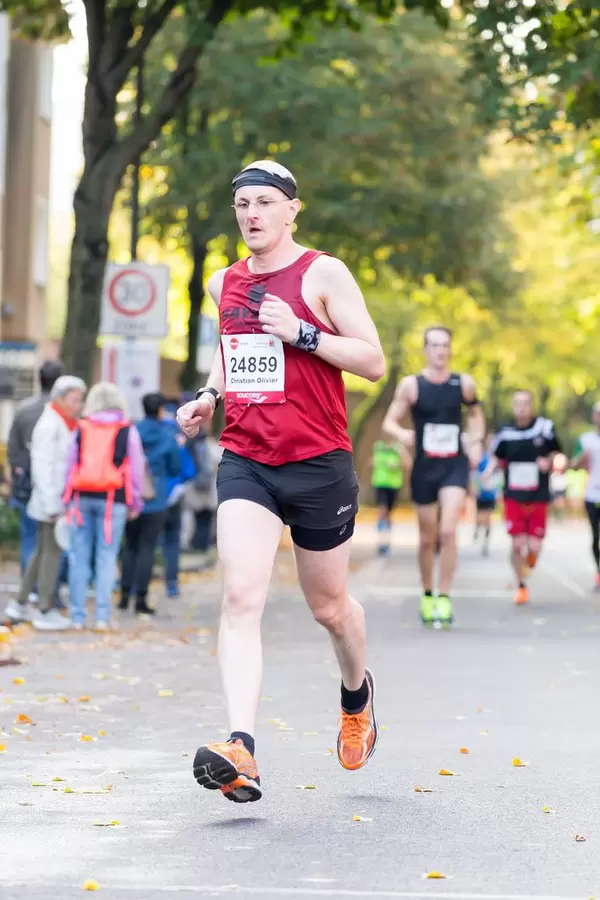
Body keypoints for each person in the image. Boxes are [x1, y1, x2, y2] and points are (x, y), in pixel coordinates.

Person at [176, 159, 385, 803]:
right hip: (247, 459)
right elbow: (230, 348)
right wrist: (211, 393)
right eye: (242, 204)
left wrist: (302, 333)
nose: (252, 214)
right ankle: (242, 747)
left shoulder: (322, 273)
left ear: (293, 209)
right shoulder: (224, 283)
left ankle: (356, 695)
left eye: (265, 202)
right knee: (240, 599)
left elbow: (373, 360)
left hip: (318, 461)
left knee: (329, 608)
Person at [382, 327, 484, 626]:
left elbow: (477, 416)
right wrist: (404, 434)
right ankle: (428, 594)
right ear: (425, 349)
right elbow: (390, 422)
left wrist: (474, 441)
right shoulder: (412, 386)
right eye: (435, 345)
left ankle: (445, 598)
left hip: (454, 465)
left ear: (450, 349)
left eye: (445, 346)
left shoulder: (463, 384)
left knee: (449, 531)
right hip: (425, 468)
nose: (440, 351)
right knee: (427, 538)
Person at [4, 376, 86, 630]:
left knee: (42, 552)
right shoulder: (52, 424)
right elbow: (42, 465)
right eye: (74, 399)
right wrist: (52, 502)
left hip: (52, 498)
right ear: (60, 398)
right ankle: (44, 608)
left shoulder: (60, 422)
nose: (79, 405)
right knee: (52, 553)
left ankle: (19, 603)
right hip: (51, 499)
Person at [64, 383, 144, 631]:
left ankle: (77, 617)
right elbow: (137, 469)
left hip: (80, 497)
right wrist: (136, 501)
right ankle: (101, 616)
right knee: (106, 557)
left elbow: (69, 464)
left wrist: (64, 497)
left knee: (79, 557)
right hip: (113, 499)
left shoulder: (82, 427)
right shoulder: (126, 430)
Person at [488, 390, 561, 606]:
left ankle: (529, 563)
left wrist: (551, 462)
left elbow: (557, 453)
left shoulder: (544, 428)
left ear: (532, 406)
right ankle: (521, 586)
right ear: (513, 406)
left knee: (534, 546)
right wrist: (489, 470)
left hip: (538, 494)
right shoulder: (505, 432)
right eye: (517, 404)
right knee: (518, 542)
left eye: (525, 404)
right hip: (513, 494)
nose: (521, 408)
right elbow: (495, 457)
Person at [119, 393, 180, 616]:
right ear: (161, 410)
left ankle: (124, 596)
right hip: (156, 499)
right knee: (147, 548)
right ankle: (141, 599)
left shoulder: (131, 431)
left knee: (130, 546)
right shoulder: (167, 436)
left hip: (130, 498)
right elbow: (175, 467)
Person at [7, 359, 64, 583]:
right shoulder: (63, 413)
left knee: (29, 536)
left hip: (26, 482)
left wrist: (21, 470)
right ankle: (49, 588)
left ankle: (28, 584)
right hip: (54, 482)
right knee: (55, 540)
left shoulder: (24, 409)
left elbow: (13, 446)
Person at [160, 399, 197, 597]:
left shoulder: (146, 432)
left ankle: (136, 587)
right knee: (172, 542)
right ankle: (172, 584)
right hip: (175, 495)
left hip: (152, 497)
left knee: (146, 542)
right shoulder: (179, 436)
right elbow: (189, 470)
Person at [571, 402, 600, 590]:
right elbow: (573, 464)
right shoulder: (586, 439)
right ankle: (598, 571)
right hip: (593, 494)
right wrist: (581, 459)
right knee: (595, 536)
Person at [184, 425, 223, 560]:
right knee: (206, 520)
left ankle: (195, 545)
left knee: (197, 518)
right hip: (208, 489)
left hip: (194, 488)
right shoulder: (210, 447)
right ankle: (203, 546)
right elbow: (218, 463)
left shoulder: (190, 446)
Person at [369, 438, 410, 556]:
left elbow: (408, 464)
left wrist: (397, 464)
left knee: (388, 514)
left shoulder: (398, 448)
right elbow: (371, 462)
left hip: (393, 485)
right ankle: (381, 543)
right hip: (380, 483)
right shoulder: (379, 446)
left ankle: (386, 542)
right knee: (382, 512)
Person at [472, 434, 499, 557]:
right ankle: (477, 528)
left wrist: (498, 490)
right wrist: (474, 487)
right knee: (479, 516)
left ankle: (485, 542)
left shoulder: (496, 458)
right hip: (480, 491)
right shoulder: (481, 457)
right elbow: (474, 473)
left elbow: (499, 476)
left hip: (491, 492)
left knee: (488, 517)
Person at [550, 453, 568, 519]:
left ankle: (561, 515)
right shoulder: (556, 457)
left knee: (561, 501)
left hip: (561, 484)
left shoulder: (562, 457)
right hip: (555, 484)